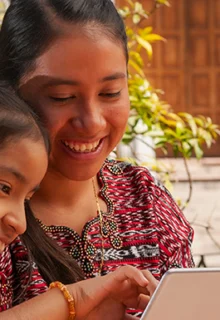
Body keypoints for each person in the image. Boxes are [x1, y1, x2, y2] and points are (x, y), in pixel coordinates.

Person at [0, 0, 194, 317]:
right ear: (10, 92)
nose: (92, 122)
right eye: (62, 97)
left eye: (110, 92)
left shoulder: (147, 199)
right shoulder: (6, 225)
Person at [0, 85, 158, 319]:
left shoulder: (146, 192)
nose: (20, 224)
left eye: (111, 92)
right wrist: (76, 299)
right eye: (4, 188)